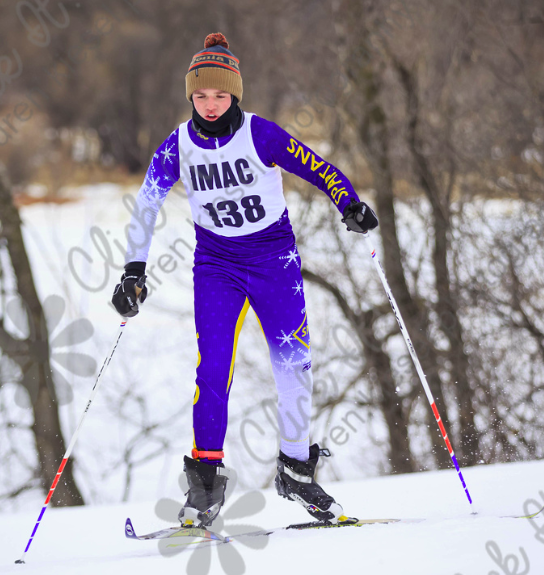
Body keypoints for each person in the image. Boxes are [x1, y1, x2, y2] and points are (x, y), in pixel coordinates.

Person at [112, 32, 378, 528]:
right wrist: (133, 272)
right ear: (190, 95)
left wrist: (350, 203)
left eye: (219, 95)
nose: (210, 105)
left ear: (235, 94)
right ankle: (205, 482)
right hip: (217, 265)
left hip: (274, 261)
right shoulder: (179, 146)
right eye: (200, 95)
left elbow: (317, 167)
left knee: (294, 366)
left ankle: (296, 470)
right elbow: (147, 202)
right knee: (212, 370)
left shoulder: (260, 134)